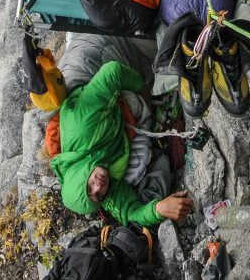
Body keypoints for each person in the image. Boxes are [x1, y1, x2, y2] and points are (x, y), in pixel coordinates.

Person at [49, 56, 193, 227]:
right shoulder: (103, 182)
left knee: (154, 53)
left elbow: (112, 72)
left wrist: (145, 90)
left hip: (88, 67)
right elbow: (132, 215)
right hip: (109, 114)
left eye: (88, 188)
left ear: (79, 177)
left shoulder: (82, 129)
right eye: (98, 195)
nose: (98, 187)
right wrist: (158, 209)